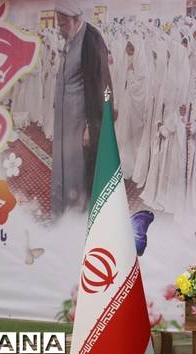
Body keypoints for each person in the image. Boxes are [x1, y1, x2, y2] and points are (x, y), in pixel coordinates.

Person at [52, 0, 113, 219]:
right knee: (63, 171)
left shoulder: (91, 39)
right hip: (64, 125)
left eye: (63, 24)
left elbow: (103, 86)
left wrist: (91, 125)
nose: (60, 29)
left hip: (81, 126)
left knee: (78, 174)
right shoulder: (70, 39)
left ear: (76, 18)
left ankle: (78, 220)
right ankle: (63, 216)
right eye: (58, 24)